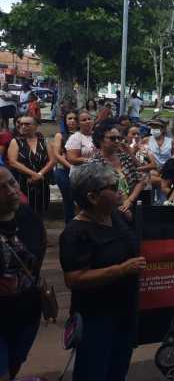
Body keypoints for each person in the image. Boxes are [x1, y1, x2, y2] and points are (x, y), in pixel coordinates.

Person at [59, 161, 146, 380]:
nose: (121, 192)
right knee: (93, 371)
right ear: (93, 197)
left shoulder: (116, 216)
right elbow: (74, 278)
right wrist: (121, 270)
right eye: (114, 188)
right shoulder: (76, 232)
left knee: (118, 369)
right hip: (96, 317)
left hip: (125, 310)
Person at [0, 167, 46, 381]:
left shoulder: (29, 218)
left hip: (26, 313)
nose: (11, 190)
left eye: (12, 182)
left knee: (14, 365)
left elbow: (38, 256)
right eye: (1, 188)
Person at [89, 119, 145, 217]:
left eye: (119, 138)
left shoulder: (125, 158)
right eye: (112, 138)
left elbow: (140, 180)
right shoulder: (94, 164)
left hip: (131, 205)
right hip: (108, 211)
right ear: (100, 140)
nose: (117, 141)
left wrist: (129, 200)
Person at [6, 116, 55, 216]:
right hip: (23, 183)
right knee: (24, 212)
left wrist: (40, 174)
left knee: (41, 211)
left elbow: (52, 160)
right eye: (21, 124)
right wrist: (33, 174)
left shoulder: (44, 141)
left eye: (27, 124)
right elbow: (13, 162)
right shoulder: (16, 142)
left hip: (42, 183)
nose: (23, 126)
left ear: (35, 126)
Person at [52, 110, 79, 222]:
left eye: (75, 118)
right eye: (69, 118)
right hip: (64, 171)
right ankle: (69, 224)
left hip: (81, 171)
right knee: (68, 199)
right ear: (65, 121)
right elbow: (57, 154)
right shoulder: (60, 135)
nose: (72, 121)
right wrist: (71, 167)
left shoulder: (83, 135)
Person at [126, 124, 157, 206]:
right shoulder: (124, 149)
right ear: (127, 136)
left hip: (146, 186)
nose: (136, 136)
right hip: (130, 187)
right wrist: (133, 151)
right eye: (133, 134)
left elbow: (154, 165)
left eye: (138, 134)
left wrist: (138, 169)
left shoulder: (145, 148)